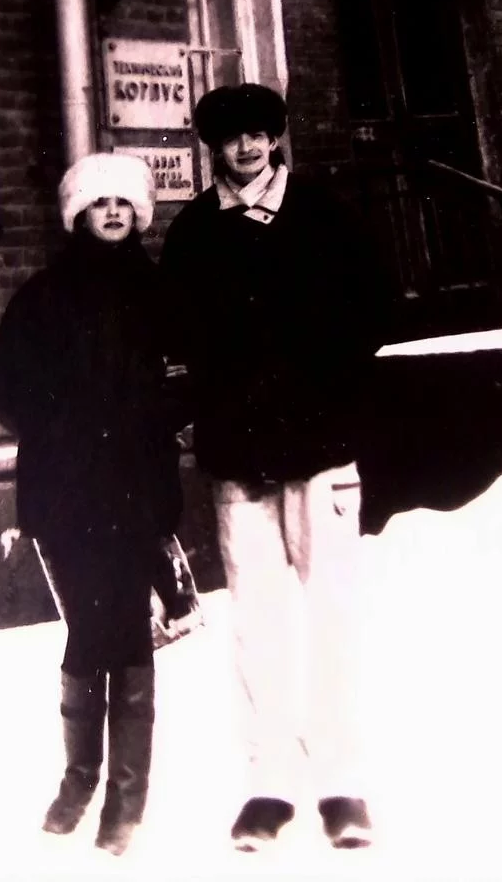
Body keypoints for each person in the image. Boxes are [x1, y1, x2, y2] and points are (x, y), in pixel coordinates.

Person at [159, 84, 389, 853]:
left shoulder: (323, 214)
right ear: (212, 148)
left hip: (321, 448)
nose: (247, 148)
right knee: (258, 621)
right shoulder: (195, 232)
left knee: (331, 613)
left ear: (275, 136)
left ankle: (341, 784)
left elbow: (372, 310)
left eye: (259, 133)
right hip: (241, 455)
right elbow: (181, 335)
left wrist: (321, 389)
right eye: (232, 137)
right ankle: (268, 785)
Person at [0, 152, 183, 857]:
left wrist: (153, 415)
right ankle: (79, 777)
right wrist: (59, 423)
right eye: (101, 204)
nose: (114, 214)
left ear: (139, 214)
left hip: (134, 485)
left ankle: (125, 799)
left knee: (126, 631)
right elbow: (6, 383)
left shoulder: (157, 293)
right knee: (84, 629)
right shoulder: (44, 296)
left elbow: (185, 373)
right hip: (65, 486)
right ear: (79, 214)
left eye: (125, 204)